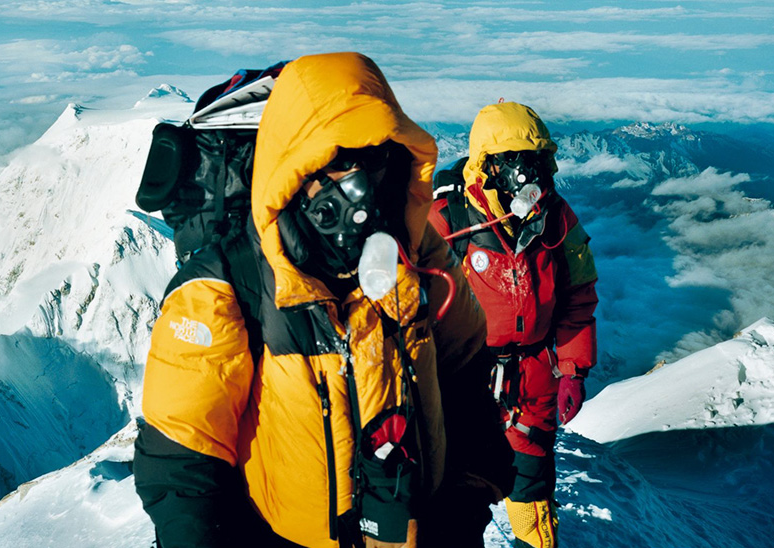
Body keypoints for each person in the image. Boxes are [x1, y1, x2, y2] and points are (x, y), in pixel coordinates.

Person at [133, 52, 514, 548]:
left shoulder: (422, 258)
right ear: (291, 168)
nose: (356, 185)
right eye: (333, 161)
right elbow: (182, 463)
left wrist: (463, 508)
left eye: (371, 158)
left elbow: (466, 383)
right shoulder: (228, 285)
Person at [428, 102, 598, 548]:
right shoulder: (447, 221)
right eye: (518, 159)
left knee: (531, 489)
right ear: (487, 166)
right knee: (460, 490)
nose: (531, 171)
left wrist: (573, 371)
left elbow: (578, 298)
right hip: (464, 380)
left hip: (533, 380)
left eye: (539, 157)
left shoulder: (556, 218)